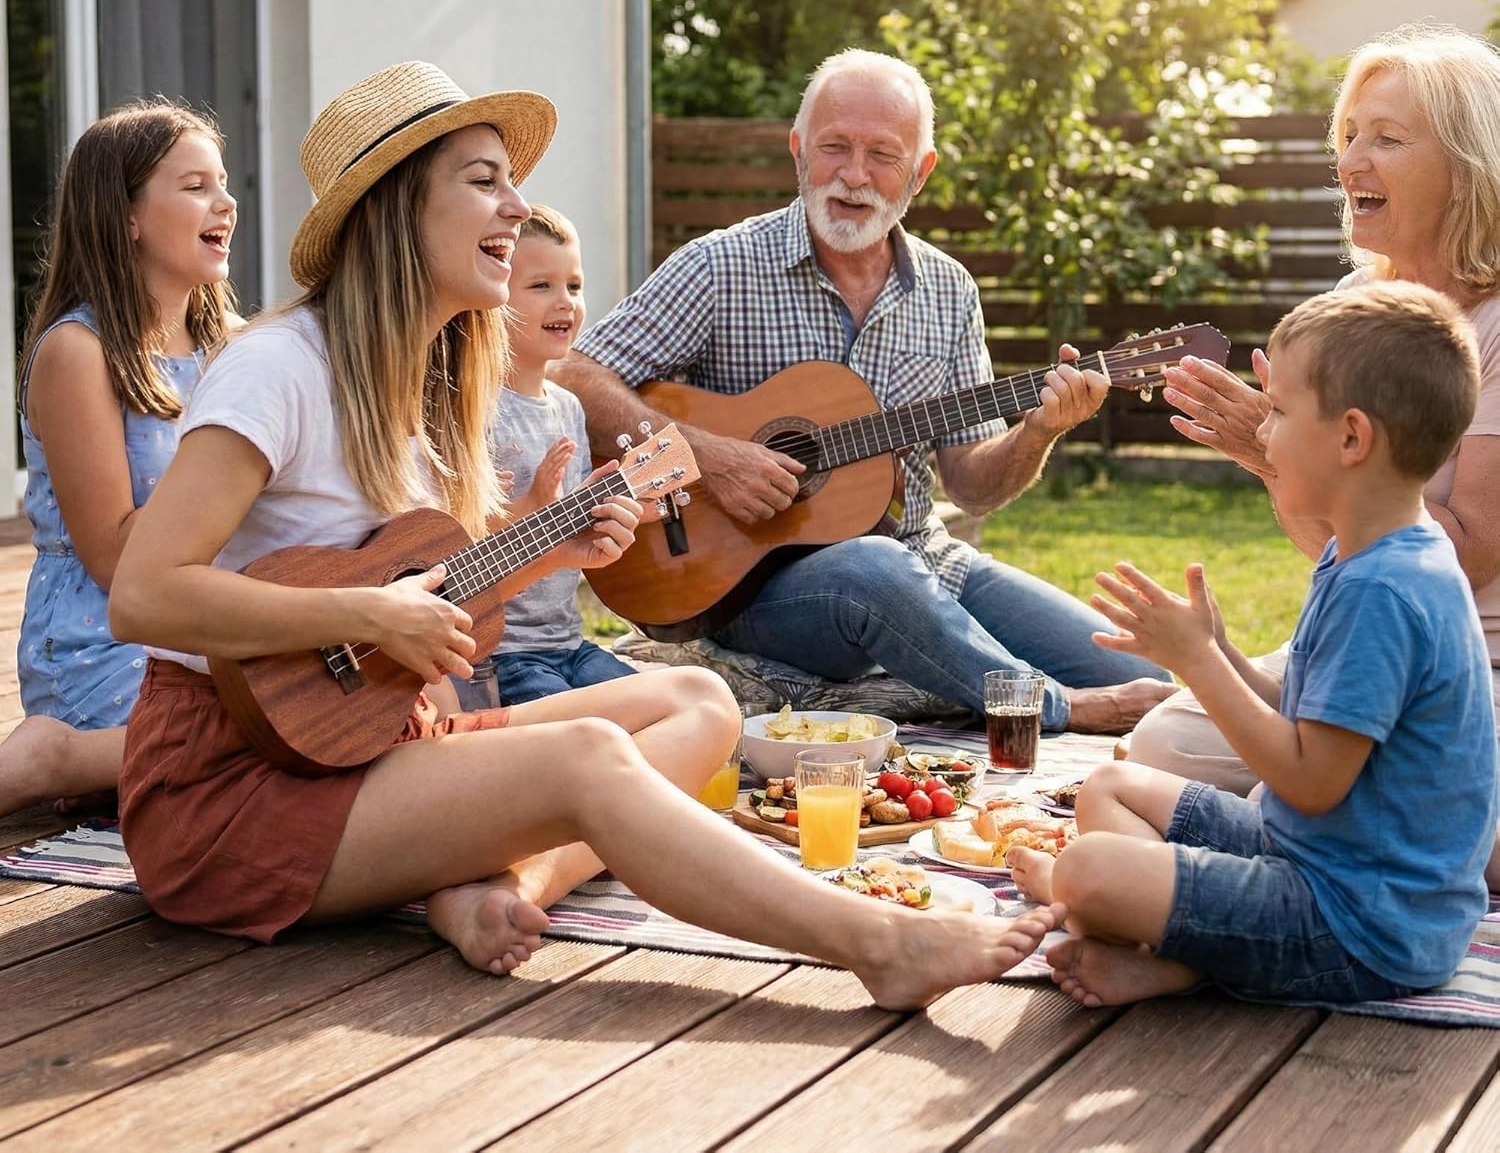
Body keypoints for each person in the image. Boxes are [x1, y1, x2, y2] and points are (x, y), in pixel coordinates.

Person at [107, 61, 1063, 1003]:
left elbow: (423, 612)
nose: (518, 208)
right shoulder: (276, 367)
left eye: (511, 183)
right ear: (398, 208)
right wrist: (372, 614)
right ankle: (875, 940)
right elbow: (144, 595)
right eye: (484, 182)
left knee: (697, 702)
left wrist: (551, 548)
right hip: (232, 791)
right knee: (587, 758)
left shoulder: (427, 389)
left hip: (374, 741)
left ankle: (505, 889)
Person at [556, 48, 1175, 735]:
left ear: (922, 172)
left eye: (882, 154)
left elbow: (971, 486)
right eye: (834, 148)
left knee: (1146, 680)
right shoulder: (719, 265)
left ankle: (1048, 683)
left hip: (925, 560)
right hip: (753, 591)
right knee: (873, 569)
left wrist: (1038, 432)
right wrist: (710, 456)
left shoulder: (948, 290)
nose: (853, 176)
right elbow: (576, 374)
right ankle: (1055, 708)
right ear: (797, 151)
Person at [1011, 282, 1496, 1008]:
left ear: (1352, 438)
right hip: (1311, 854)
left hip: (1361, 925)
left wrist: (1196, 663)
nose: (1262, 433)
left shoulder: (1386, 589)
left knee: (1086, 873)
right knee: (1109, 788)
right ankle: (1183, 950)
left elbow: (1310, 780)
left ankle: (1156, 933)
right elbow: (1317, 715)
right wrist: (1224, 652)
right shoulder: (1368, 551)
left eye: (1277, 412)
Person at [1132, 26, 1500, 884]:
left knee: (1432, 832)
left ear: (1468, 162)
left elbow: (1471, 549)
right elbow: (1334, 544)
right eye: (1348, 137)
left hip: (1473, 666)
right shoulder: (1352, 305)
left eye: (1387, 138)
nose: (1351, 162)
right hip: (1355, 653)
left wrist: (1281, 458)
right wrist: (1279, 459)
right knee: (1155, 749)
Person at [0, 100, 238, 819]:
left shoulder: (233, 343)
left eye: (223, 183)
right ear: (125, 214)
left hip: (211, 617)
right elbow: (114, 560)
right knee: (269, 737)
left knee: (346, 720)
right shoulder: (78, 353)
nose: (225, 202)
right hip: (107, 633)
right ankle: (54, 757)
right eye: (195, 185)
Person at [454, 203, 636, 710]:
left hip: (567, 644)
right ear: (493, 299)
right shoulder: (473, 407)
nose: (566, 303)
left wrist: (615, 513)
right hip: (501, 653)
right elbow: (459, 543)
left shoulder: (569, 408)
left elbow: (571, 531)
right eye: (541, 287)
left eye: (574, 286)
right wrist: (534, 503)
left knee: (659, 697)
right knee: (584, 734)